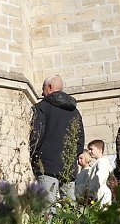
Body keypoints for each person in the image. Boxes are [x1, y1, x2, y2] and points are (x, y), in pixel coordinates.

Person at [29, 76, 85, 206]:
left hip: (46, 164)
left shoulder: (42, 107)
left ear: (49, 88)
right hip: (68, 165)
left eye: (43, 89)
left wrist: (35, 156)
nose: (42, 93)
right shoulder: (74, 111)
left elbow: (37, 135)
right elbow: (80, 138)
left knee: (47, 206)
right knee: (69, 205)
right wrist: (72, 156)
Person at [85, 140, 113, 205]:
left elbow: (100, 177)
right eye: (88, 149)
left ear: (99, 150)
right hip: (97, 193)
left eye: (91, 149)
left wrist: (91, 192)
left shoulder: (103, 161)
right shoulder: (98, 162)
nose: (89, 151)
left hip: (101, 193)